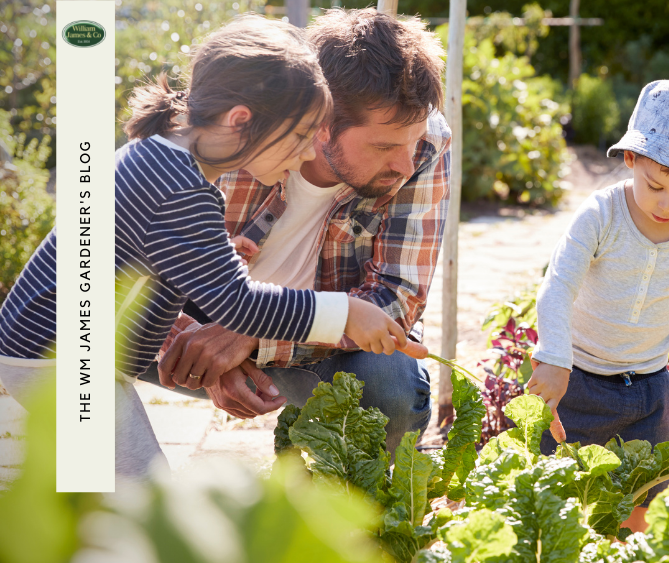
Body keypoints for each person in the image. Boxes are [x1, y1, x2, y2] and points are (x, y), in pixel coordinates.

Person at [0, 14, 408, 479]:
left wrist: (213, 252)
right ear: (240, 121)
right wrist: (346, 312)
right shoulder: (182, 189)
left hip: (52, 344)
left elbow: (142, 250)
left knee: (98, 491)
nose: (310, 153)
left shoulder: (163, 159)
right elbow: (239, 305)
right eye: (299, 136)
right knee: (141, 498)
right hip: (65, 358)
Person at [142, 8, 451, 454]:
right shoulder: (224, 133)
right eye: (384, 146)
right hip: (196, 326)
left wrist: (251, 332)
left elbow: (396, 298)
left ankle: (314, 476)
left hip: (311, 339)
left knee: (391, 390)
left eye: (412, 141)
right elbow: (116, 269)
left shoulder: (423, 143)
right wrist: (202, 355)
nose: (405, 164)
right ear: (322, 127)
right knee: (81, 333)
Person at [527, 80, 669, 531]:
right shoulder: (600, 215)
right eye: (656, 185)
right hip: (577, 382)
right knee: (557, 497)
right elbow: (558, 284)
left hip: (648, 392)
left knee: (635, 503)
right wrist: (554, 358)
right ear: (631, 159)